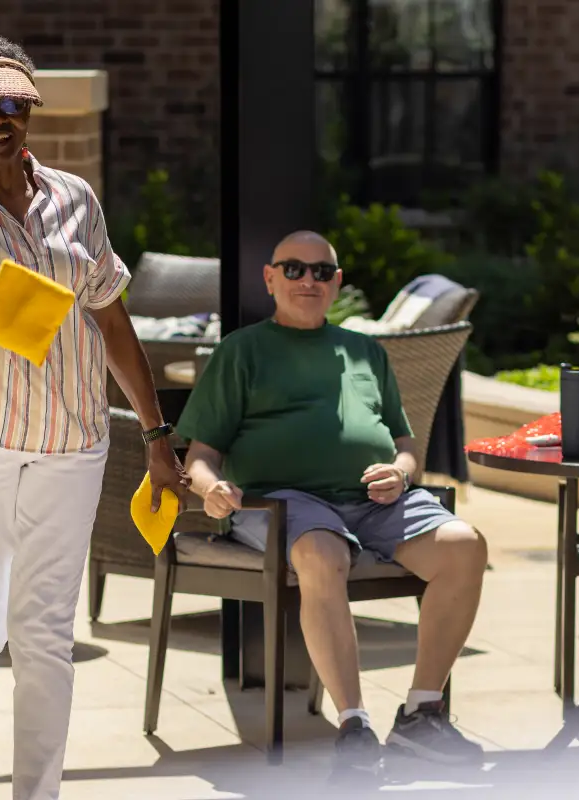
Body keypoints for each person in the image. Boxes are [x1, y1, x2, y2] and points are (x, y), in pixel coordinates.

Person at [0, 36, 190, 800]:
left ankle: (39, 792)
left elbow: (112, 319)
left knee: (46, 632)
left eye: (8, 104)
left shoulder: (76, 199)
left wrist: (157, 435)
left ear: (28, 110)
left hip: (72, 438)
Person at [175, 231, 488, 774]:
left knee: (464, 546)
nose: (309, 281)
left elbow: (407, 445)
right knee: (323, 554)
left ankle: (421, 714)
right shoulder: (241, 351)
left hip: (372, 500)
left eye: (322, 272)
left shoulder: (366, 351)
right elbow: (200, 453)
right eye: (294, 269)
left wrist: (401, 471)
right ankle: (354, 727)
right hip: (282, 501)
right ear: (270, 278)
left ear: (337, 282)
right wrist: (211, 487)